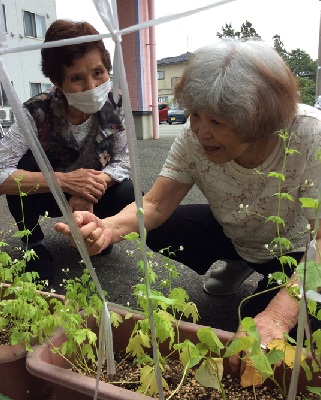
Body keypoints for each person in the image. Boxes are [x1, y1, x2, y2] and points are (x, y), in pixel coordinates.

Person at [55, 39, 321, 369]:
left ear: (259, 119)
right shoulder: (194, 136)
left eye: (217, 122)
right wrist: (107, 229)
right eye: (195, 115)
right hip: (234, 225)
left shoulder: (309, 135)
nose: (200, 131)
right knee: (159, 228)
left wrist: (279, 314)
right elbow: (154, 204)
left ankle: (266, 278)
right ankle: (240, 260)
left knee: (266, 330)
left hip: (294, 250)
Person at [0, 19, 135, 282]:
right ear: (56, 82)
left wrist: (89, 189)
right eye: (77, 78)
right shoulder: (35, 112)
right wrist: (64, 182)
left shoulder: (115, 108)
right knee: (24, 166)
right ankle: (33, 243)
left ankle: (99, 229)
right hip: (49, 194)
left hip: (92, 193)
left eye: (98, 72)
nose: (92, 85)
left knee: (128, 191)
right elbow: (1, 169)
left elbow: (123, 162)